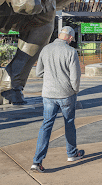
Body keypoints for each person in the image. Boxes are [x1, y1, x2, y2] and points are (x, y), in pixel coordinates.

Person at [31, 26, 84, 173]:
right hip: (66, 94)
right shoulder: (71, 52)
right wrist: (75, 90)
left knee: (46, 125)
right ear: (70, 37)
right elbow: (75, 77)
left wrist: (50, 78)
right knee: (69, 123)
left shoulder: (46, 49)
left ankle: (37, 161)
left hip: (48, 94)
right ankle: (71, 153)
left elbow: (38, 72)